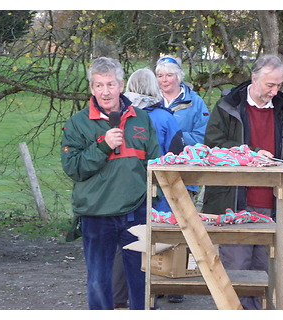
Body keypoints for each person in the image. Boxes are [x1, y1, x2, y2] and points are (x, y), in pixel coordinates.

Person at [202, 54, 283, 309]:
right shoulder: (227, 106)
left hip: (271, 204)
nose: (275, 91)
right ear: (254, 78)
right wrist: (250, 153)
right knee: (236, 272)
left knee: (264, 272)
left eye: (279, 85)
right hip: (234, 203)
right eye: (270, 85)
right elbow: (213, 146)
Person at [61, 57, 160, 310]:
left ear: (121, 85)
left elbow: (155, 164)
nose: (105, 92)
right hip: (96, 213)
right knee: (99, 281)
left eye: (111, 84)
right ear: (92, 88)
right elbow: (73, 168)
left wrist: (154, 201)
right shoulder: (78, 123)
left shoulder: (141, 119)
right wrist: (103, 145)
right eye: (99, 85)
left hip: (136, 211)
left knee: (141, 279)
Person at [111, 68, 186, 308]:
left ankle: (118, 297)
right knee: (154, 244)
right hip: (157, 191)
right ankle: (150, 298)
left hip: (121, 191)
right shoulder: (164, 118)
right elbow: (176, 155)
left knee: (123, 244)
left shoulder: (116, 115)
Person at [155, 55, 209, 303]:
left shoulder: (195, 102)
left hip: (185, 174)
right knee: (158, 227)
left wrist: (176, 137)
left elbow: (203, 136)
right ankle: (158, 279)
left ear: (179, 77)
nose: (164, 80)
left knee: (183, 227)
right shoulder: (151, 101)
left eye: (169, 75)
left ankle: (179, 280)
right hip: (157, 174)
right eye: (160, 75)